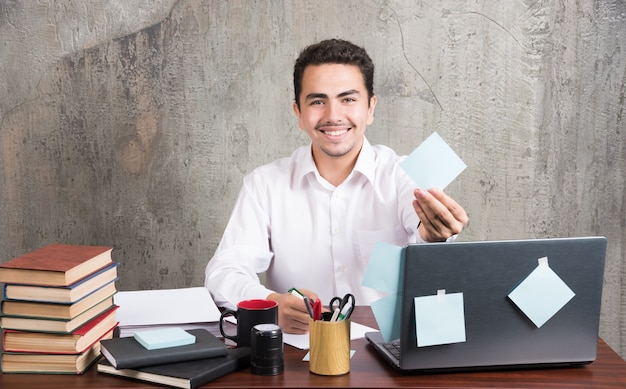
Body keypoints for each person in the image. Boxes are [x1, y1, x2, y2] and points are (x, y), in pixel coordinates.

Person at [205, 39, 468, 334]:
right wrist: (269, 302)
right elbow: (224, 272)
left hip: (388, 348)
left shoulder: (402, 173)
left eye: (348, 99)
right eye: (318, 101)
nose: (333, 115)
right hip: (296, 355)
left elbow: (423, 229)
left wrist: (432, 235)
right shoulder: (264, 184)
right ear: (298, 114)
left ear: (370, 108)